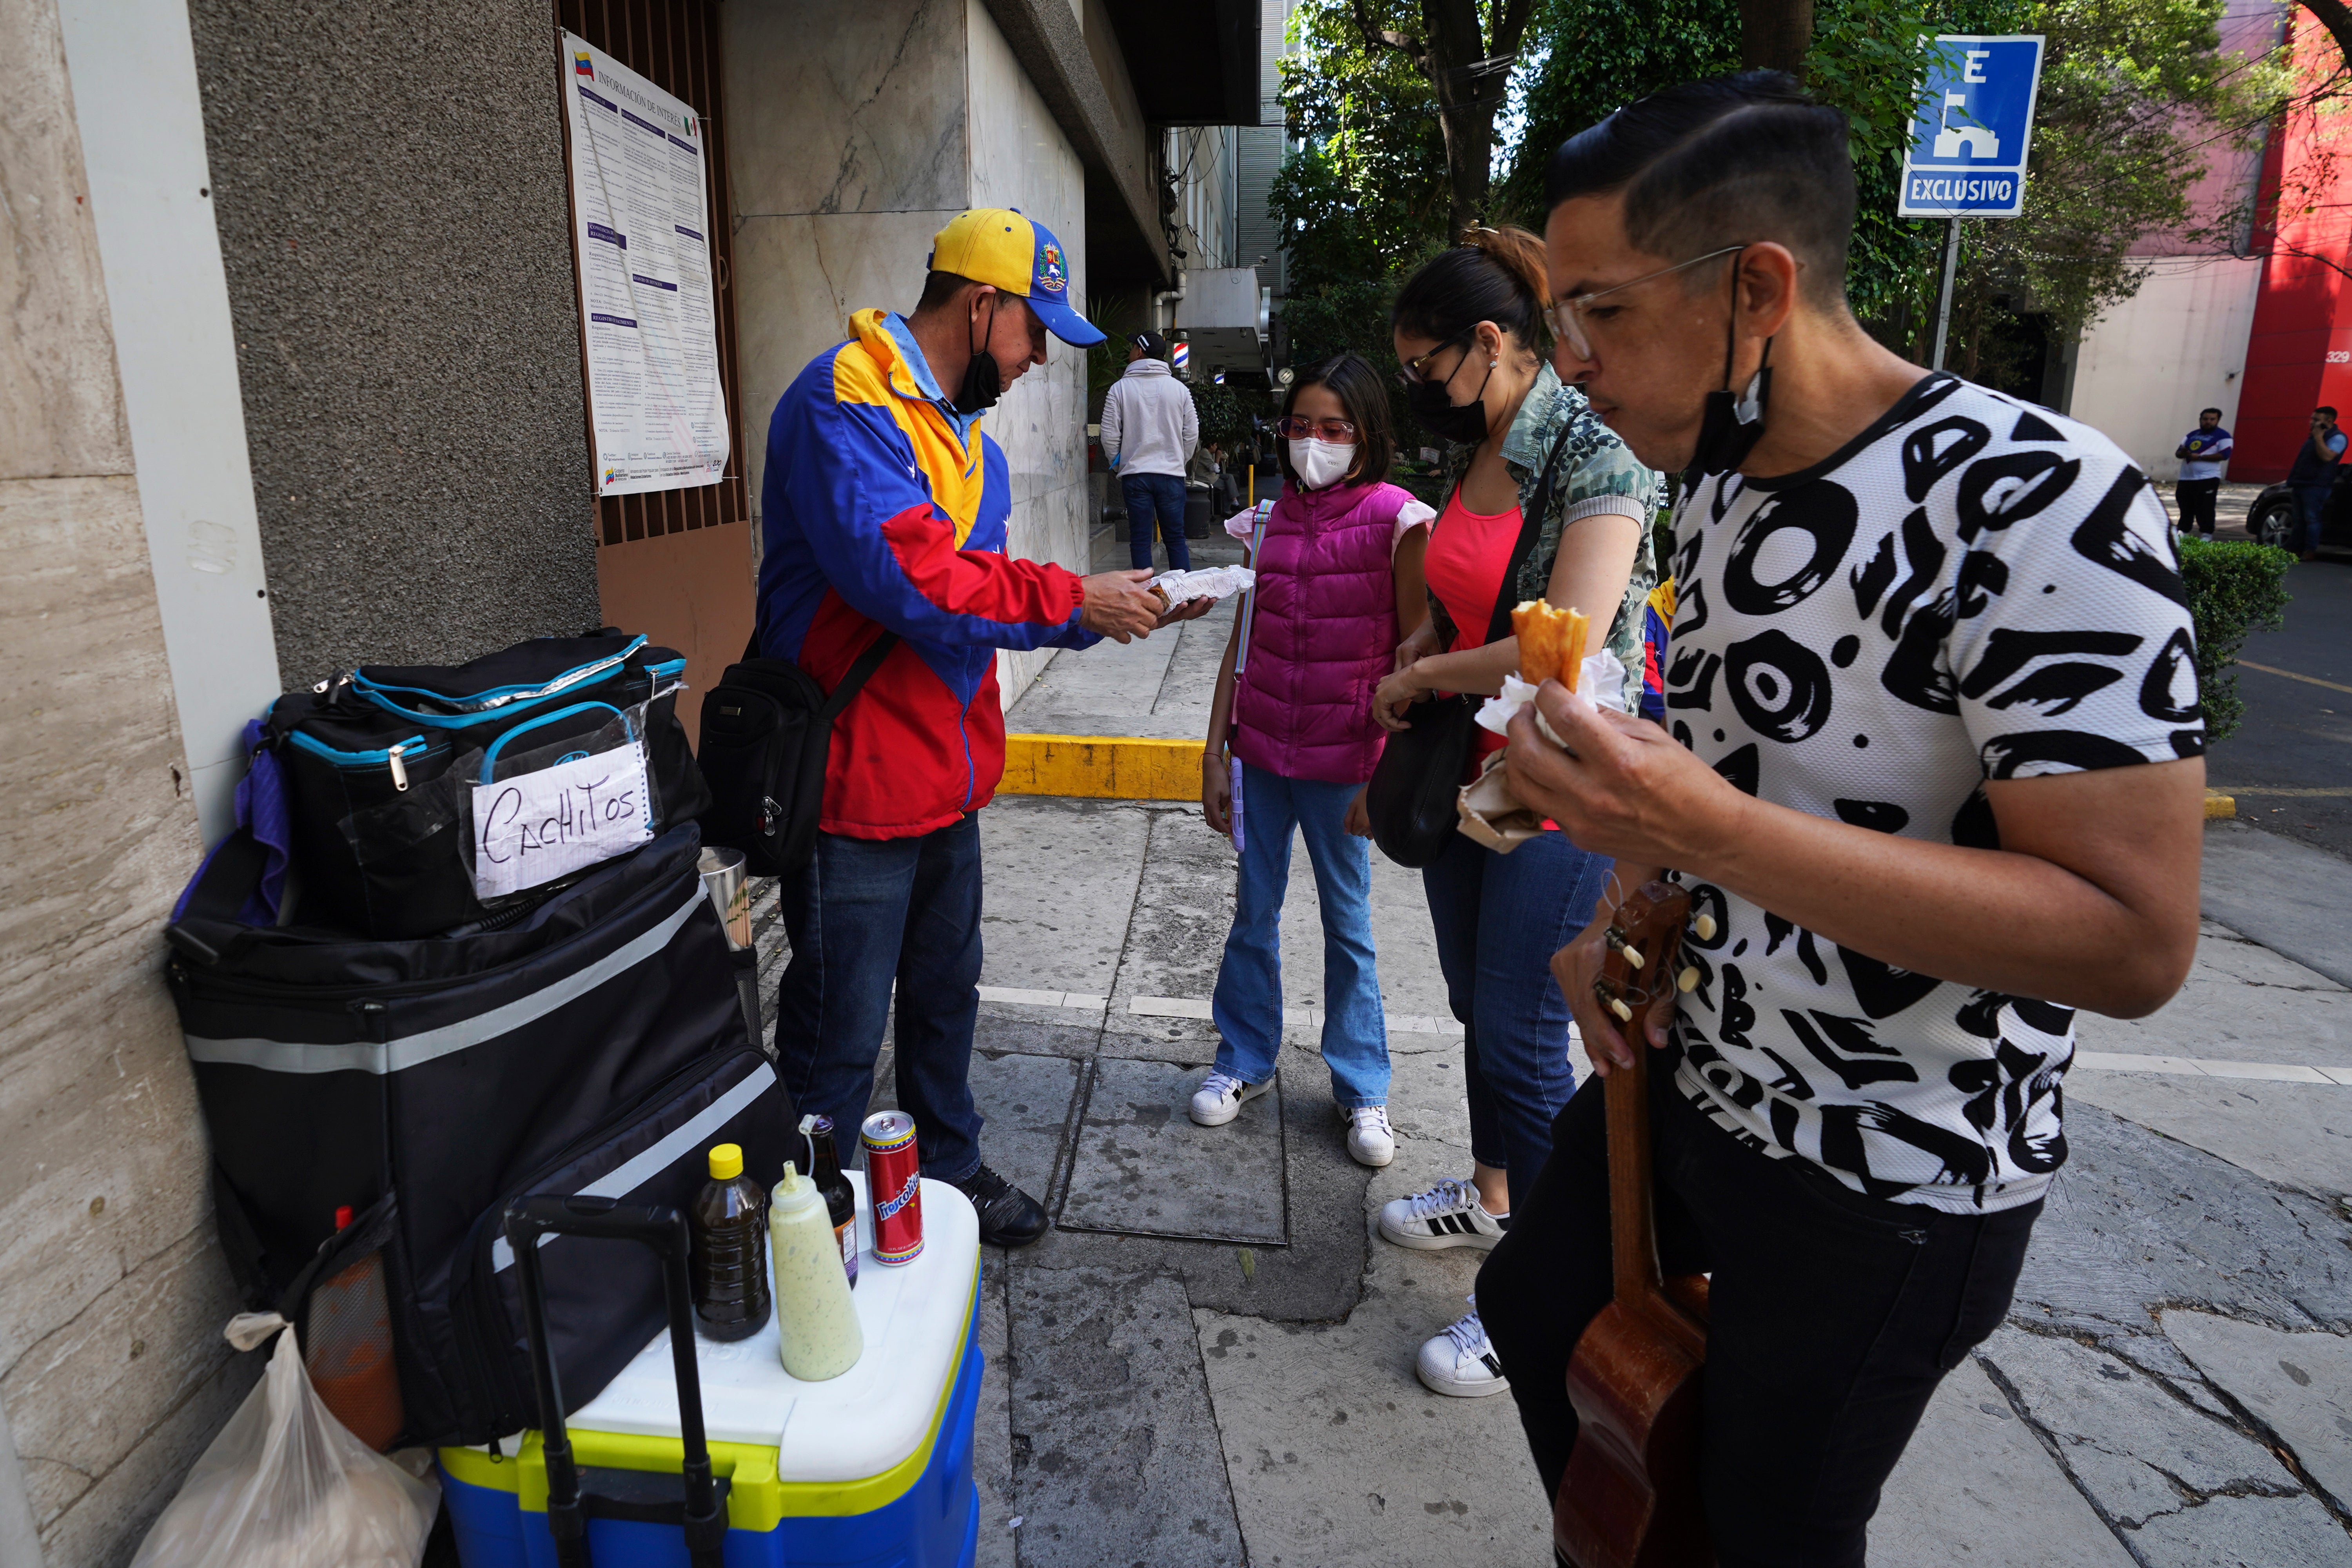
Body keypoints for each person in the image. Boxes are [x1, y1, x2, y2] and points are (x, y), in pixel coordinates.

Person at [1479, 73, 2204, 1566]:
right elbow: (1730, 772)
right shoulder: (1718, 488)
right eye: (1560, 318)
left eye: (1602, 312)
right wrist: (1628, 911)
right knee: (1538, 1319)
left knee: (1766, 1524)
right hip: (1692, 1076)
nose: (1573, 365)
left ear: (1757, 289)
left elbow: (2134, 942)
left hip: (1893, 1169)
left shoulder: (2039, 497)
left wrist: (1706, 835)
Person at [757, 209, 1208, 1248]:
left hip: (947, 782)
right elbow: (911, 580)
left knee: (945, 999)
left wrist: (1115, 608)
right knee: (836, 1032)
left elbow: (982, 602)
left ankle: (947, 1166)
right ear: (979, 305)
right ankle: (807, 1223)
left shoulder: (971, 448)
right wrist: (1074, 599)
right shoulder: (844, 403)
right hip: (855, 784)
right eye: (1032, 330)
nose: (1039, 357)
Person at [1367, 226, 1662, 1398]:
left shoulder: (1596, 456)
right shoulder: (1481, 447)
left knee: (1525, 1032)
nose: (1418, 390)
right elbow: (1465, 587)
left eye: (1427, 367)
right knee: (1473, 1007)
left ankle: (1544, 1303)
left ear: (1489, 343)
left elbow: (1565, 646)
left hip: (1558, 782)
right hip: (1468, 775)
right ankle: (1493, 1195)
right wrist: (1424, 635)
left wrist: (1425, 676)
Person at [1191, 352, 1432, 1168]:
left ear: (1367, 433)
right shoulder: (1266, 520)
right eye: (1301, 426)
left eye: (1333, 428)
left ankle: (1362, 1086)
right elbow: (1242, 640)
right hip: (1261, 753)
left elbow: (1414, 655)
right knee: (1251, 914)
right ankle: (1243, 1059)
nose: (1313, 443)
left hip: (1347, 766)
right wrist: (1215, 751)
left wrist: (1385, 773)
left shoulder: (1399, 521)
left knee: (1348, 925)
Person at [1100, 330, 1199, 571]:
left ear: (1140, 352)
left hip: (1136, 475)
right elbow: (1192, 434)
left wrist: (1120, 464)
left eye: (1133, 347)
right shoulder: (1180, 390)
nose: (1130, 351)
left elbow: (1109, 435)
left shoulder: (1119, 389)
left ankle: (1144, 592)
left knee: (1140, 541)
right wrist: (1179, 460)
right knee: (1175, 539)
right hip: (1171, 475)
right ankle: (1182, 592)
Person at [2288, 405, 2344, 559]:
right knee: (2299, 520)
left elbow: (2327, 457)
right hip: (2301, 483)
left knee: (2312, 519)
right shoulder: (2313, 437)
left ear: (2329, 421)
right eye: (2312, 419)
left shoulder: (2337, 438)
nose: (2311, 422)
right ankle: (2295, 549)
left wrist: (2319, 437)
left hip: (2317, 486)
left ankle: (2309, 550)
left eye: (2316, 420)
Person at [2172, 406, 2229, 535]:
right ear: (2200, 420)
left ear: (2218, 420)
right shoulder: (2191, 435)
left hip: (2208, 478)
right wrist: (2184, 453)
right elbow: (2178, 453)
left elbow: (2224, 455)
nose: (2208, 422)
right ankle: (2183, 532)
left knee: (2205, 508)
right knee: (2185, 507)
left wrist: (2199, 457)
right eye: (2205, 419)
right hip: (2186, 478)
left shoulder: (2223, 436)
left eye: (2212, 419)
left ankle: (2206, 535)